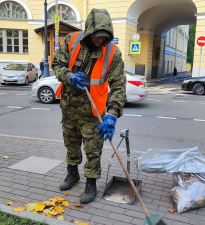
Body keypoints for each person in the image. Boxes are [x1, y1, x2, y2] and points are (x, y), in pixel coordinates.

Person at [52, 8, 126, 204]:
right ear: (89, 31)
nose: (101, 40)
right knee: (71, 144)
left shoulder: (112, 52)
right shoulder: (71, 40)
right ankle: (72, 174)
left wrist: (111, 115)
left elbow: (118, 86)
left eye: (105, 37)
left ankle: (91, 183)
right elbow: (57, 65)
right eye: (98, 36)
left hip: (94, 112)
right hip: (69, 107)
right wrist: (70, 77)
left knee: (93, 149)